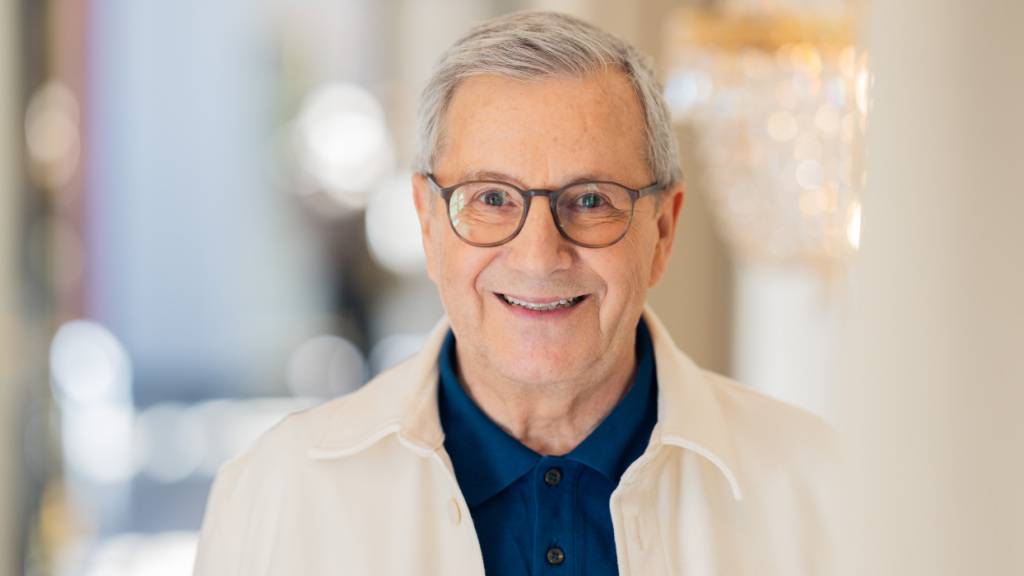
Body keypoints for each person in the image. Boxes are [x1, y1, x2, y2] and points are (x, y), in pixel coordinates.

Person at [193, 11, 840, 576]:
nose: (538, 256)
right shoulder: (278, 492)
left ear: (663, 230)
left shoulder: (825, 489)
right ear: (427, 223)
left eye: (589, 201)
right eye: (492, 199)